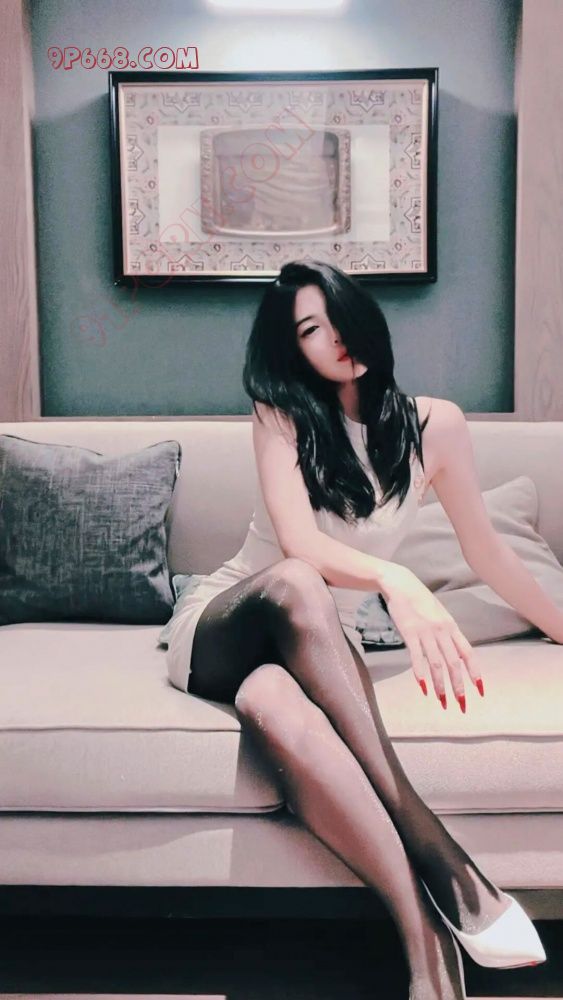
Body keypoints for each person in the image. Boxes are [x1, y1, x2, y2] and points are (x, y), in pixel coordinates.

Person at [166, 260, 548, 999]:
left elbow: (489, 553)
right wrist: (396, 579)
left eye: (339, 314)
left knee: (271, 703)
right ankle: (443, 857)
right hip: (232, 624)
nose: (335, 337)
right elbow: (299, 545)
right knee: (297, 580)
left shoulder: (437, 427)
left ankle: (428, 951)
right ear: (292, 350)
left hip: (316, 655)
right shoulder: (279, 413)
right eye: (312, 329)